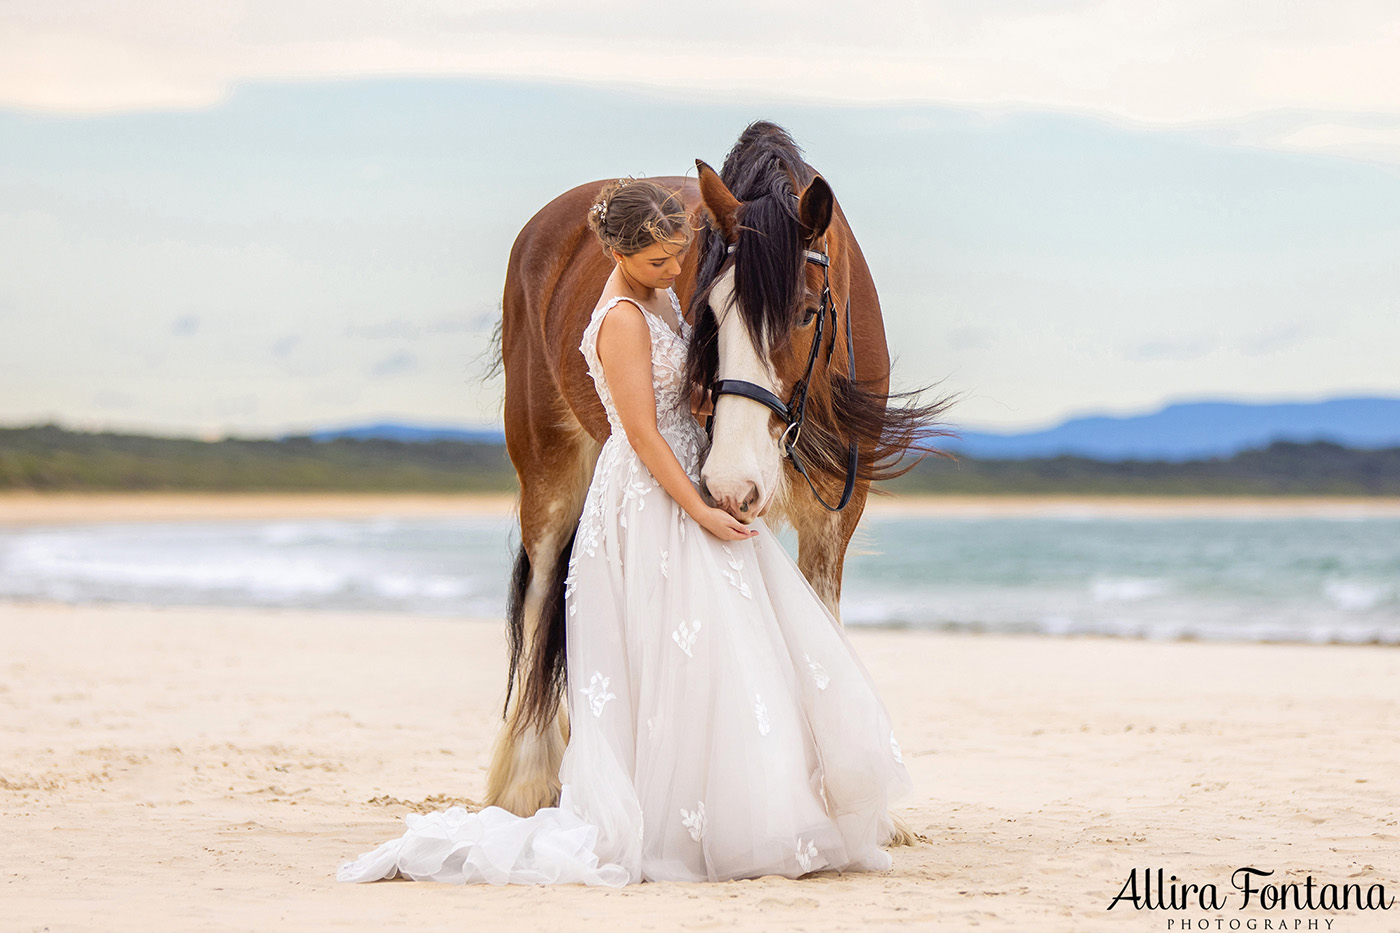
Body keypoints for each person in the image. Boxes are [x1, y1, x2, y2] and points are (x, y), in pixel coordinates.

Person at [336, 178, 912, 886]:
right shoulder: (620, 320)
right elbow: (639, 432)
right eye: (663, 262)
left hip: (679, 471)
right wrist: (700, 508)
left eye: (680, 258)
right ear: (620, 252)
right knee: (661, 632)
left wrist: (704, 397)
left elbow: (700, 373)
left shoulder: (668, 297)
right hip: (646, 489)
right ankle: (536, 739)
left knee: (707, 647)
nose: (680, 273)